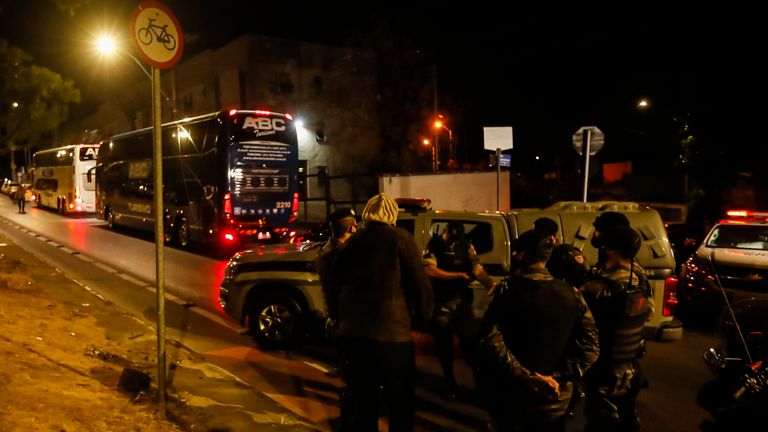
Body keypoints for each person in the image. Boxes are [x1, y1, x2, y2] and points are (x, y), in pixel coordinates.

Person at [477, 228, 600, 432]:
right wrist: (555, 378)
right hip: (556, 395)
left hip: (513, 392)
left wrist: (528, 378)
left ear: (521, 255)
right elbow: (591, 348)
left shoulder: (506, 291)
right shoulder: (572, 294)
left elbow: (490, 340)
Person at [330, 193, 433, 432]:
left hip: (353, 335)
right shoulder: (401, 239)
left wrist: (338, 319)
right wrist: (423, 321)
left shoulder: (352, 243)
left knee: (365, 405)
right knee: (400, 405)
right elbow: (420, 285)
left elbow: (334, 286)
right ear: (392, 216)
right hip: (392, 335)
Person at [580, 225, 653, 432]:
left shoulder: (602, 287)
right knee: (626, 420)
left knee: (602, 423)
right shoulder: (638, 281)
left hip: (606, 370)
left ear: (611, 250)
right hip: (630, 367)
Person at [423, 221, 495, 398]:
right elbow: (429, 270)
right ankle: (450, 386)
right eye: (451, 239)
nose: (453, 243)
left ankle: (481, 388)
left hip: (461, 303)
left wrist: (491, 285)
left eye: (457, 240)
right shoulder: (434, 245)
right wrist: (457, 275)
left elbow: (476, 269)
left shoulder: (466, 246)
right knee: (445, 348)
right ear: (445, 232)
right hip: (442, 304)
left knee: (472, 346)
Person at [314, 207, 357, 379]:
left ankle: (345, 368)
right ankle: (346, 370)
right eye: (354, 225)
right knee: (347, 340)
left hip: (341, 305)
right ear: (350, 228)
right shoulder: (340, 252)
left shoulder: (328, 250)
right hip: (346, 306)